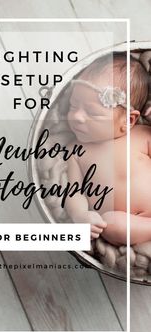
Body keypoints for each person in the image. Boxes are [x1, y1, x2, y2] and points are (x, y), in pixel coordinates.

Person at [66, 52, 151, 245]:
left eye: (92, 112)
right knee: (110, 224)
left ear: (128, 120)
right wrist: (80, 215)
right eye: (73, 106)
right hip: (127, 224)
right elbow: (73, 191)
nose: (77, 116)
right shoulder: (75, 151)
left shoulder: (140, 135)